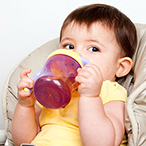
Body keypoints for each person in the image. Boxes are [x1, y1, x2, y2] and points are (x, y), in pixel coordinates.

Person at [11, 3, 137, 146]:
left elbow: (102, 143)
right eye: (69, 46)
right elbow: (22, 141)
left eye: (94, 48)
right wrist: (25, 106)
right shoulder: (51, 89)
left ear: (120, 67)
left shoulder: (110, 91)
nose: (75, 54)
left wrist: (90, 96)